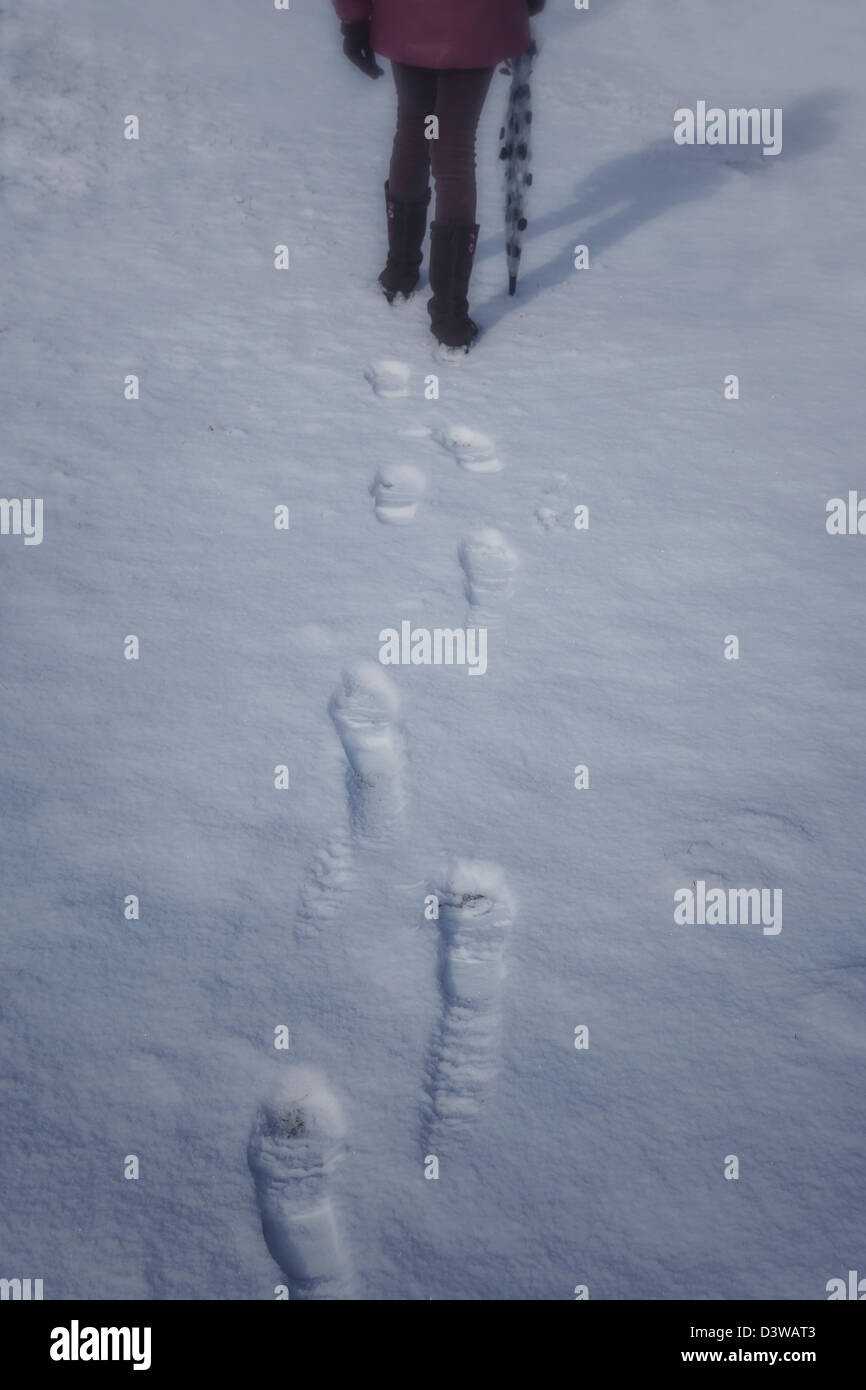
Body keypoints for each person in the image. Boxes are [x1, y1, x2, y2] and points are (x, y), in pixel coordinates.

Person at [331, 0, 545, 351]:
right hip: (481, 20)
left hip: (409, 18)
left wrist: (353, 20)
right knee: (452, 148)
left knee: (418, 129)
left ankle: (399, 273)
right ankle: (448, 317)